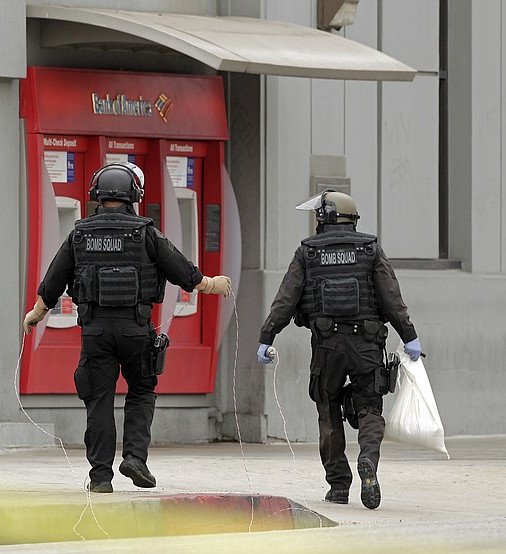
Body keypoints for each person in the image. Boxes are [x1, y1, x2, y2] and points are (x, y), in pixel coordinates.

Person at [23, 162, 232, 493]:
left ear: (96, 195)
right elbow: (182, 272)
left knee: (99, 401)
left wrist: (37, 312)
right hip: (136, 328)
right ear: (134, 195)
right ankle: (135, 458)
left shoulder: (80, 233)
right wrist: (212, 283)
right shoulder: (145, 232)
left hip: (96, 333)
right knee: (141, 391)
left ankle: (100, 477)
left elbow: (53, 281)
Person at [256, 190, 421, 510]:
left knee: (328, 408)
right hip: (367, 344)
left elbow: (286, 300)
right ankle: (369, 461)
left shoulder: (308, 253)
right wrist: (410, 336)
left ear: (322, 220)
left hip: (327, 345)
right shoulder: (370, 249)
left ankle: (339, 486)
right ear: (352, 220)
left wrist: (267, 336)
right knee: (370, 408)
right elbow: (392, 298)